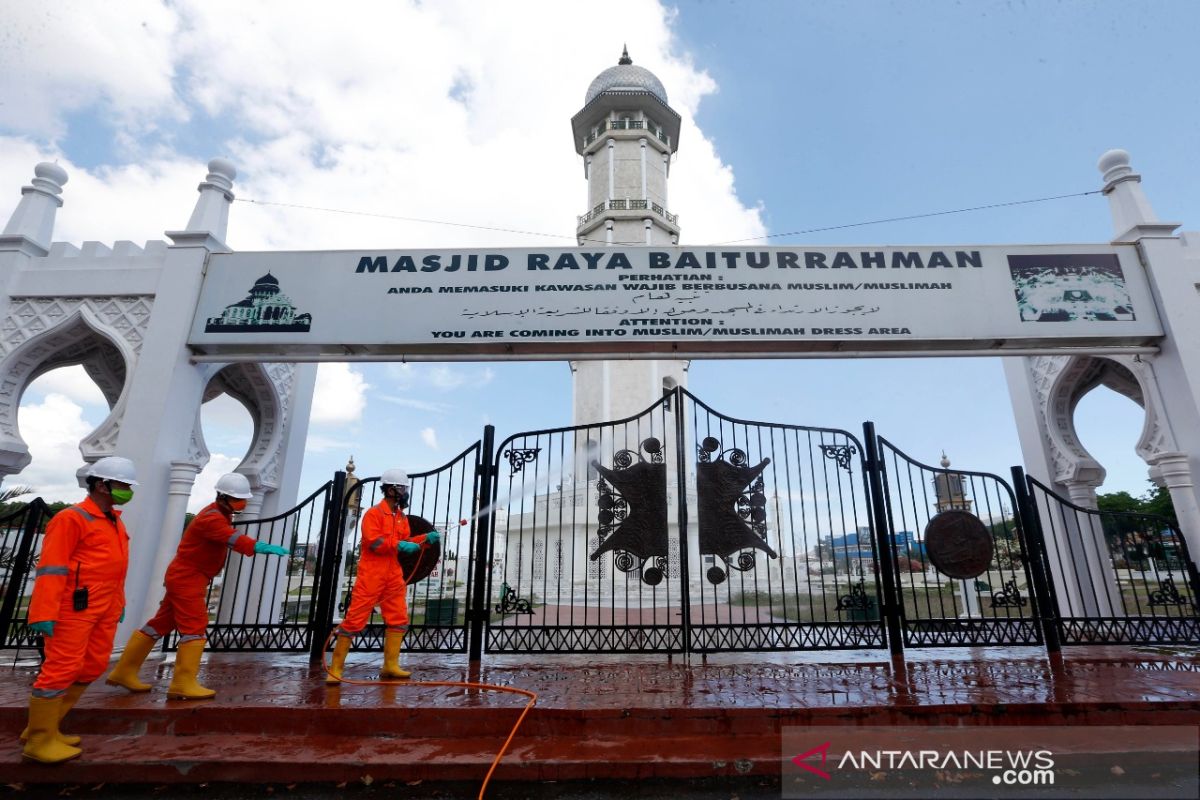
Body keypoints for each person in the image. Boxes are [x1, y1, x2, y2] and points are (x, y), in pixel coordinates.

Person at [105, 472, 289, 700]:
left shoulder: (220, 514)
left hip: (188, 576)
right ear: (222, 497)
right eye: (237, 498)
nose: (243, 502)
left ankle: (124, 671)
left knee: (159, 624)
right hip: (188, 578)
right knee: (195, 625)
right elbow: (231, 539)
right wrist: (259, 546)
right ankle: (183, 682)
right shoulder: (212, 518)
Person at [20, 456, 138, 764]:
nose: (127, 490)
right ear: (102, 485)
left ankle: (44, 726)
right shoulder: (71, 519)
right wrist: (44, 612)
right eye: (123, 485)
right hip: (72, 607)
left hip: (104, 606)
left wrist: (119, 602)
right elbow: (51, 568)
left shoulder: (114, 519)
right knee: (61, 669)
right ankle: (39, 740)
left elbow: (115, 569)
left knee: (93, 665)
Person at [326, 468, 439, 683]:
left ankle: (390, 666)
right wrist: (400, 545)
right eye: (402, 488)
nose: (405, 492)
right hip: (372, 573)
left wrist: (425, 538)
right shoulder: (373, 514)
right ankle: (336, 669)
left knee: (398, 618)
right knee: (354, 620)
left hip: (393, 574)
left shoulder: (401, 517)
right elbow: (374, 542)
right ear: (390, 489)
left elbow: (406, 541)